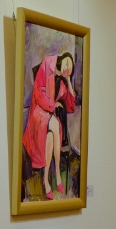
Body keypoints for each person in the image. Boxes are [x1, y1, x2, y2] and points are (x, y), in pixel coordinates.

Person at [23, 52, 76, 200]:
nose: (67, 68)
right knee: (55, 124)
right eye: (67, 63)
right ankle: (57, 174)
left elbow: (71, 107)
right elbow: (38, 92)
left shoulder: (63, 83)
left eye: (70, 69)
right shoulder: (47, 63)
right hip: (38, 112)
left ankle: (46, 180)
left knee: (51, 137)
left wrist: (69, 81)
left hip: (50, 117)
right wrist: (52, 105)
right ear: (63, 58)